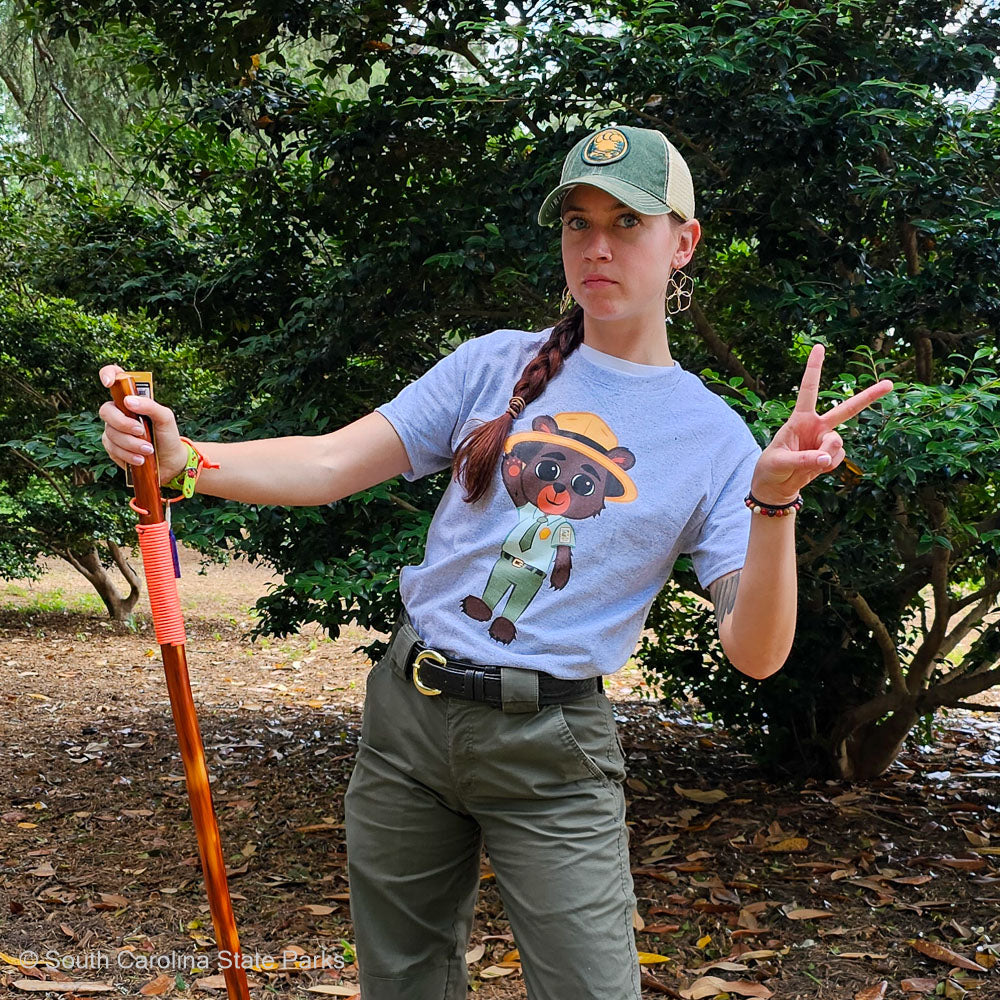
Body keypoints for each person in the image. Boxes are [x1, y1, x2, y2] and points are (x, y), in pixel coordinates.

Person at [98, 124, 893, 1000]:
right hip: (409, 716)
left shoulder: (713, 439)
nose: (596, 246)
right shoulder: (495, 365)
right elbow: (330, 465)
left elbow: (757, 651)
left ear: (683, 243)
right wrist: (187, 461)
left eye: (627, 223)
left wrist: (773, 501)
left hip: (552, 750)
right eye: (576, 222)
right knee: (401, 981)